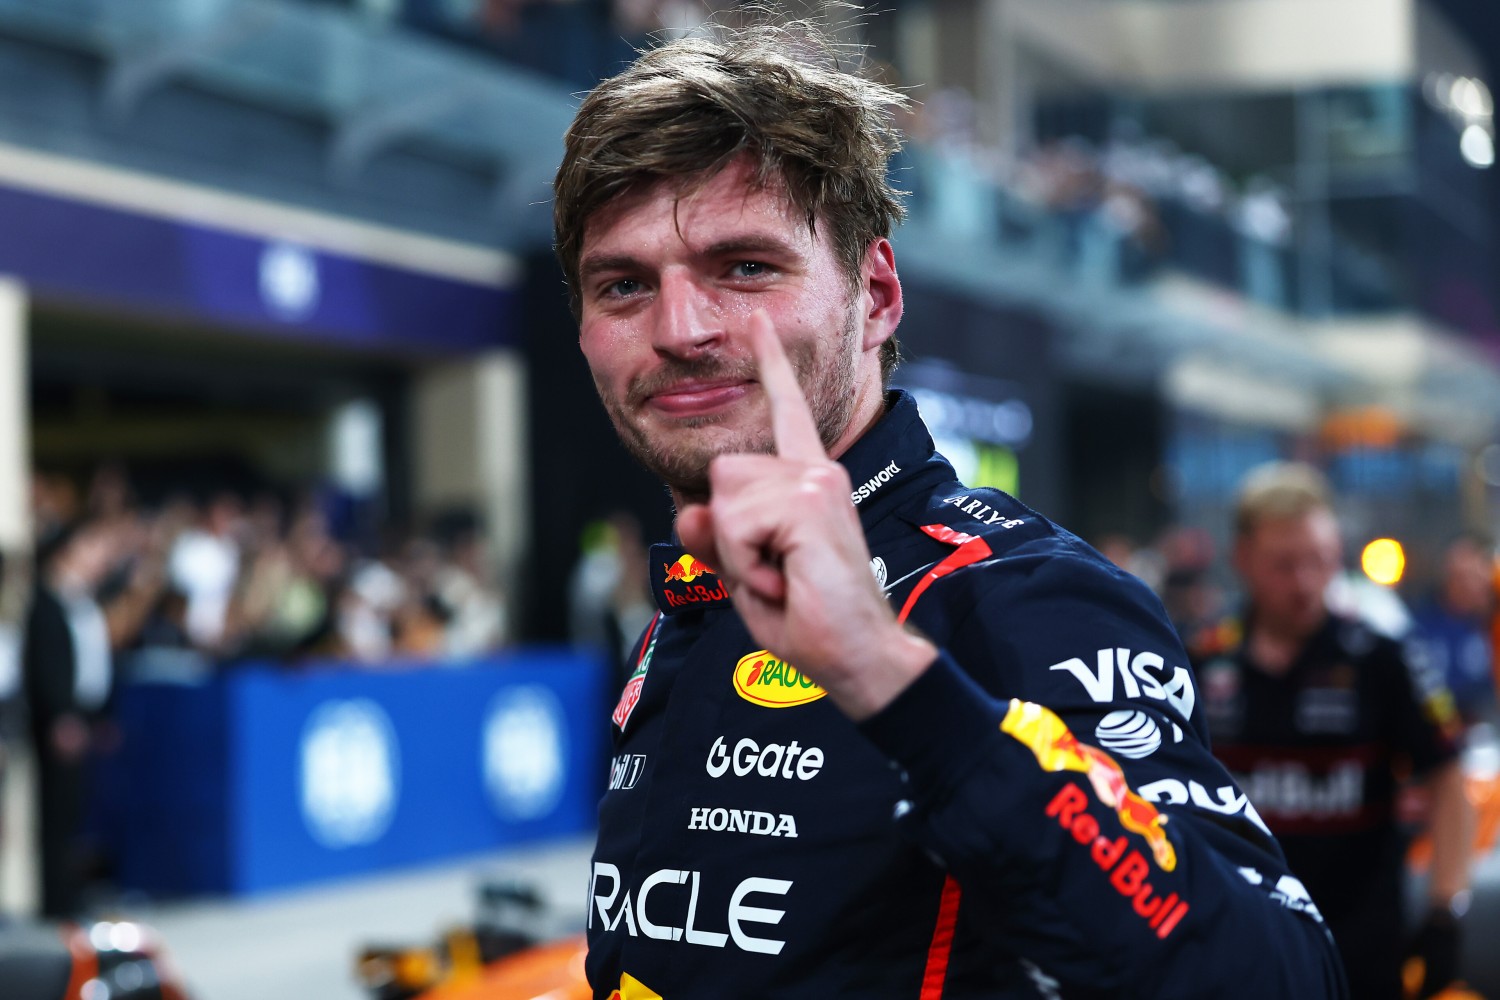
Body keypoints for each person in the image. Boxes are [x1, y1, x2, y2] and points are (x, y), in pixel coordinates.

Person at [554, 19, 1345, 998]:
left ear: (876, 294)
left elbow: (1284, 980)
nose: (679, 328)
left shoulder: (1023, 600)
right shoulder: (691, 599)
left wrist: (890, 677)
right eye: (624, 284)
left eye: (746, 267)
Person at [1192, 463, 1473, 1000]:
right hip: (1231, 950)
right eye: (1284, 565)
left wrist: (1446, 909)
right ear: (1243, 560)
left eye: (1319, 562)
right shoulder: (1197, 660)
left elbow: (1449, 776)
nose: (1304, 583)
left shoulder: (1383, 659)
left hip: (1359, 955)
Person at [1411, 532, 1496, 728]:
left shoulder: (1490, 625)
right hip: (1443, 735)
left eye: (1476, 576)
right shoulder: (1421, 628)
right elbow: (1426, 691)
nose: (1467, 585)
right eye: (1459, 576)